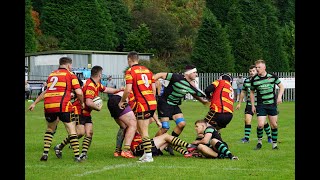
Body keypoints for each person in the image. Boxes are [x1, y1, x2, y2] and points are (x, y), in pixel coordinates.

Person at [54, 65, 124, 161]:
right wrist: (98, 108)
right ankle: (59, 146)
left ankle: (83, 153)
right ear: (99, 75)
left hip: (86, 112)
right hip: (78, 110)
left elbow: (107, 89)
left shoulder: (96, 84)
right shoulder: (90, 85)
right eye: (101, 74)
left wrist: (119, 90)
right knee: (80, 133)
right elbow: (88, 102)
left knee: (89, 133)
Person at [28, 57, 85, 162]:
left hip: (49, 105)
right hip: (63, 105)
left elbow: (45, 92)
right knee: (71, 130)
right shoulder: (70, 75)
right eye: (71, 66)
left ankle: (45, 154)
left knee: (50, 129)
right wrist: (82, 103)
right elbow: (79, 92)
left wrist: (34, 103)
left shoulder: (51, 75)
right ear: (68, 65)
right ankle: (77, 156)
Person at [153, 65, 209, 155]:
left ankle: (170, 143)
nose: (196, 74)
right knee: (165, 127)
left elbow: (194, 94)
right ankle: (153, 146)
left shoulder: (191, 85)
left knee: (182, 124)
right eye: (194, 72)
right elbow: (160, 74)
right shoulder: (176, 77)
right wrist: (149, 82)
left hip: (175, 105)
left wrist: (202, 101)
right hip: (164, 103)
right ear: (189, 73)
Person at [118, 51, 157, 163]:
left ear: (129, 59)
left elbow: (128, 89)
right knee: (141, 128)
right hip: (151, 102)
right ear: (138, 59)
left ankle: (149, 156)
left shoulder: (130, 71)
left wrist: (122, 101)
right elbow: (154, 89)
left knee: (143, 130)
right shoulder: (148, 71)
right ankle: (146, 153)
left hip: (142, 104)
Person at [250, 59, 285, 150]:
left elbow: (281, 86)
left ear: (264, 67)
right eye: (256, 67)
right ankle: (259, 143)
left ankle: (274, 145)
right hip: (261, 105)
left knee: (274, 125)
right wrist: (253, 105)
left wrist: (279, 97)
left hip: (272, 105)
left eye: (259, 67)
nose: (257, 69)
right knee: (261, 125)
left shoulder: (272, 77)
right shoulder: (254, 79)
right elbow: (252, 92)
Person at [235, 65, 272, 143]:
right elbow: (243, 92)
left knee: (263, 122)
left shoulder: (260, 80)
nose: (251, 72)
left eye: (253, 71)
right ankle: (246, 138)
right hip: (249, 104)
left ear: (257, 71)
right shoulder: (247, 81)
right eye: (250, 71)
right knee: (247, 120)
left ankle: (269, 137)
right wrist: (239, 103)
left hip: (259, 104)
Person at [107, 90, 137, 158]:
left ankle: (117, 151)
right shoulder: (136, 95)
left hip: (111, 100)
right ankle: (126, 150)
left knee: (123, 127)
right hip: (119, 100)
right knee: (132, 125)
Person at [130, 131, 196, 158]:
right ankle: (190, 146)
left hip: (146, 149)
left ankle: (186, 152)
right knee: (166, 136)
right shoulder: (132, 124)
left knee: (168, 141)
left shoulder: (137, 121)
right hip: (139, 149)